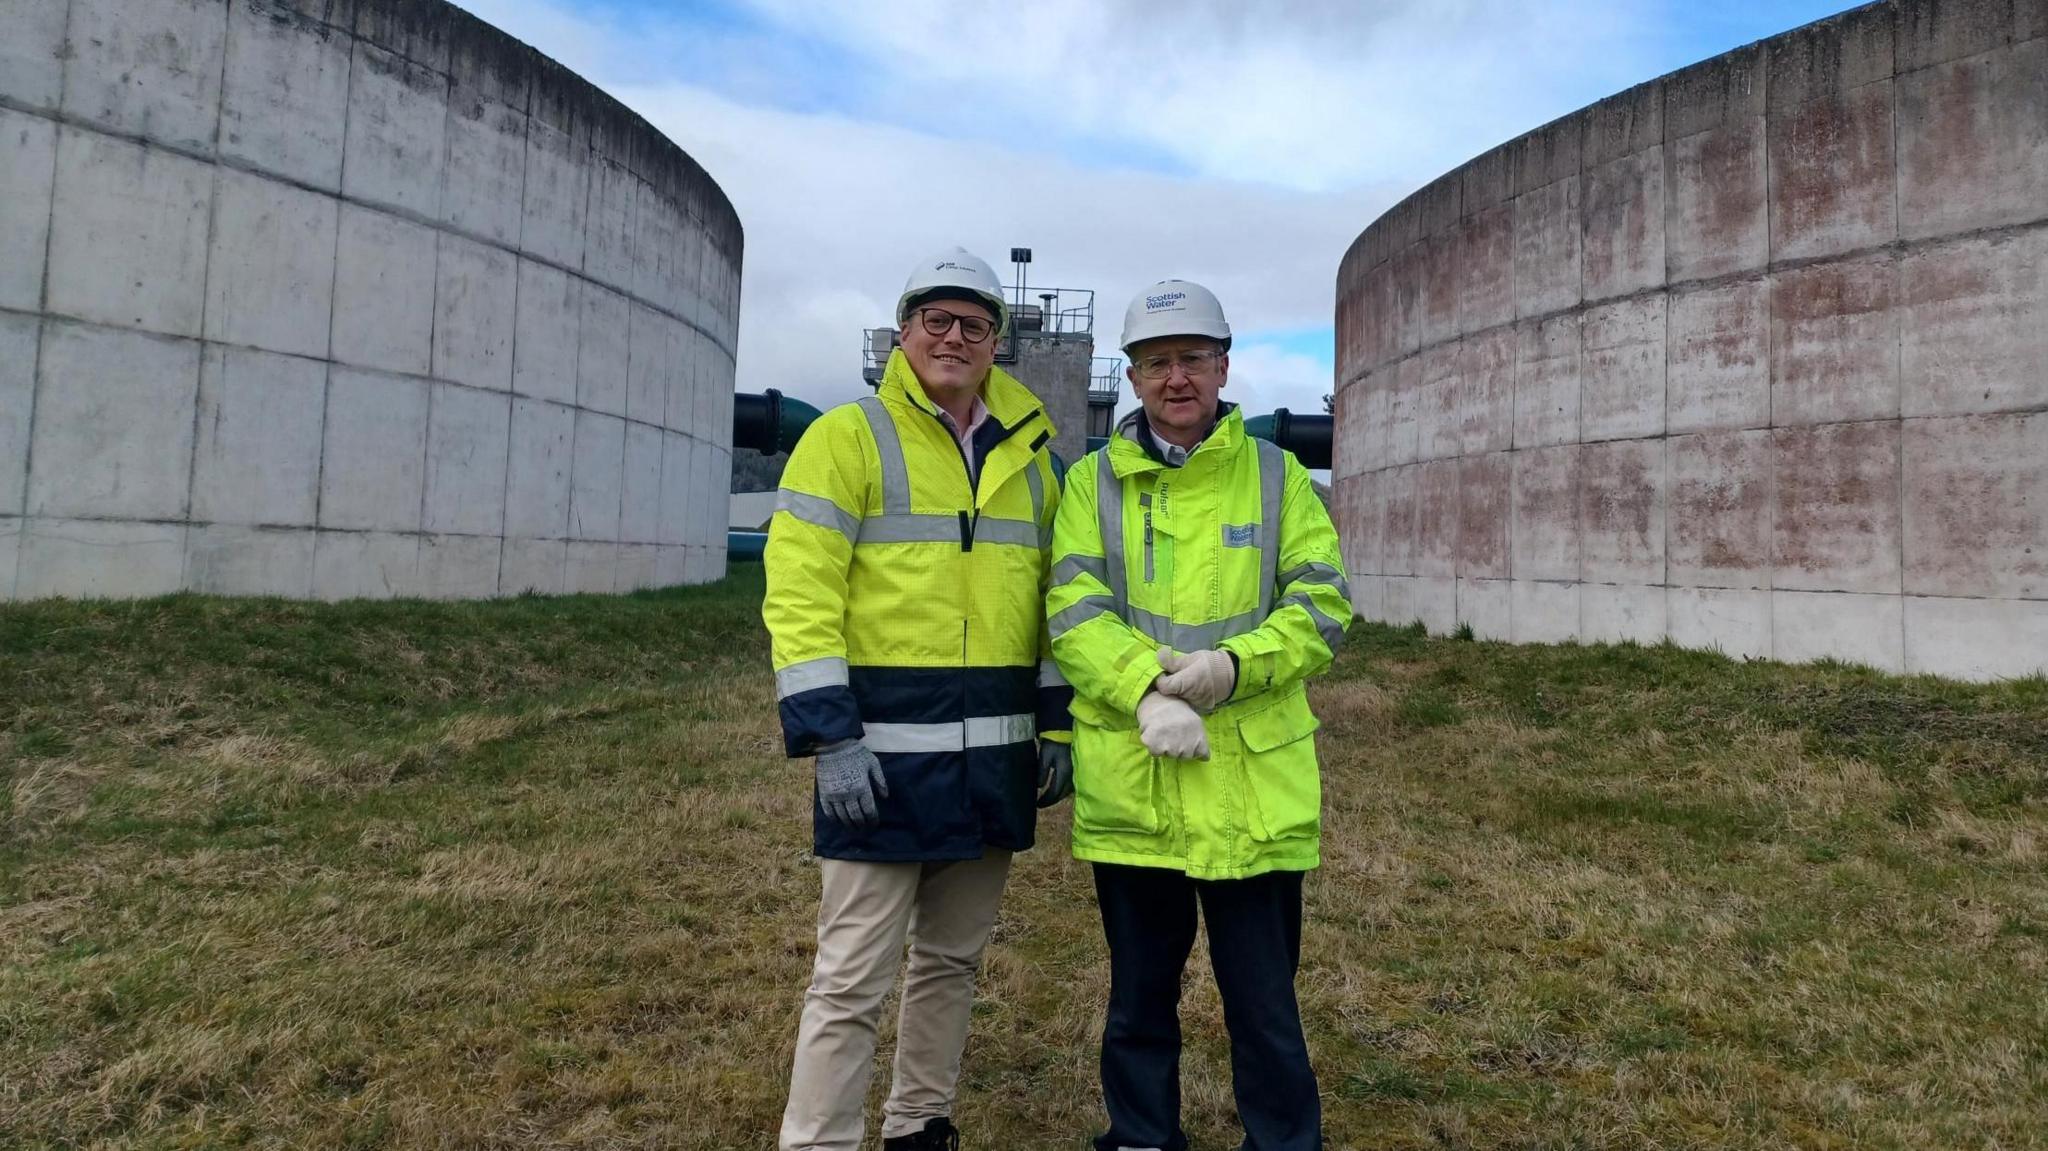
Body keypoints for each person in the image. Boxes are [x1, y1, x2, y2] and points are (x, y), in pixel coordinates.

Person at [763, 248, 1074, 1151]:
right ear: (904, 333)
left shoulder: (1033, 456)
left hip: (992, 765)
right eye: (936, 320)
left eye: (974, 325)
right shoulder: (847, 437)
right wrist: (831, 737)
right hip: (882, 762)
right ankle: (820, 1140)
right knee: (852, 976)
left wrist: (1053, 723)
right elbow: (798, 590)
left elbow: (1054, 602)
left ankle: (917, 1126)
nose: (954, 337)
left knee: (951, 963)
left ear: (996, 345)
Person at [1046, 280, 1352, 1151]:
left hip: (1251, 782)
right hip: (1137, 780)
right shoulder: (1090, 483)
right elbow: (1071, 607)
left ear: (1223, 366)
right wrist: (1143, 684)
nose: (1174, 378)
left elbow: (1323, 603)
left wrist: (1232, 667)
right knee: (1139, 1000)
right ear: (1132, 377)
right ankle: (1142, 1138)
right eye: (1155, 363)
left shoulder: (1277, 475)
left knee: (1264, 1004)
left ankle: (1284, 1142)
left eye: (1190, 359)